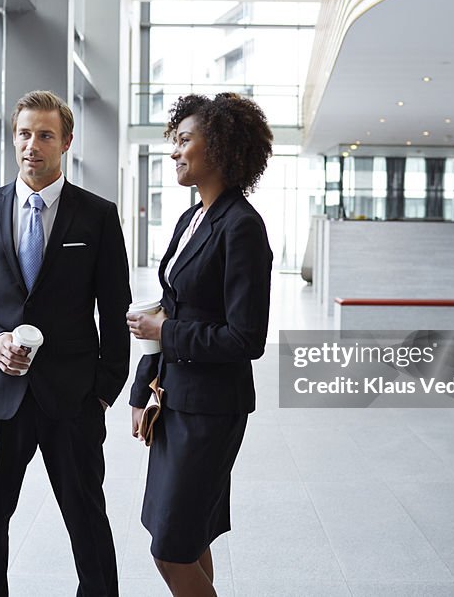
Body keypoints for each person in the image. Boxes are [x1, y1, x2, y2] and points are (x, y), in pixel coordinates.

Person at [0, 90, 131, 597]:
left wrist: (105, 390)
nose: (33, 145)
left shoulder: (96, 216)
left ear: (66, 142)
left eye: (45, 135)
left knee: (87, 521)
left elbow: (114, 311)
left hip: (73, 398)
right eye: (24, 133)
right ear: (14, 138)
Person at [127, 92, 273, 597]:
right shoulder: (192, 220)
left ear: (221, 147)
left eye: (185, 140)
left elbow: (246, 337)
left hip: (211, 411)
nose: (174, 151)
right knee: (189, 535)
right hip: (175, 400)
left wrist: (164, 332)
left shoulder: (242, 227)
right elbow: (170, 304)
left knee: (170, 547)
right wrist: (140, 388)